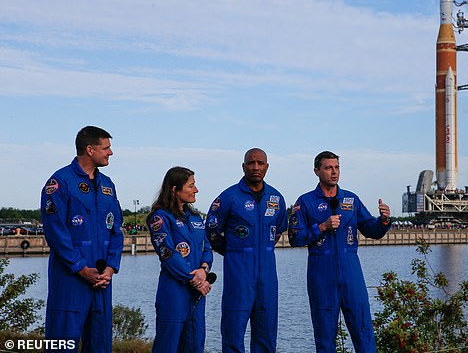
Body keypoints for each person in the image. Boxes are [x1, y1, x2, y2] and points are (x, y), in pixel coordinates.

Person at [288, 151, 392, 353]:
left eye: (337, 167)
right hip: (321, 275)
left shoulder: (351, 200)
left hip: (351, 271)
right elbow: (295, 238)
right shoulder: (305, 202)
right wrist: (322, 227)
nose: (334, 172)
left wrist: (384, 221)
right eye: (328, 168)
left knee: (363, 331)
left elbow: (371, 229)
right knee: (325, 338)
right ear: (317, 171)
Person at [40, 126, 124, 352]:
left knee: (100, 344)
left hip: (102, 280)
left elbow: (116, 229)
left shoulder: (107, 185)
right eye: (106, 148)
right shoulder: (60, 182)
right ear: (89, 149)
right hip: (71, 280)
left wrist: (111, 268)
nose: (111, 153)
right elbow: (56, 232)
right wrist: (80, 268)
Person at [205, 148, 287, 353]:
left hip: (267, 276)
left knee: (267, 333)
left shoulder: (276, 198)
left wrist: (261, 250)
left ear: (267, 167)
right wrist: (234, 251)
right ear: (243, 167)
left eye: (260, 163)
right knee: (233, 332)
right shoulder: (228, 197)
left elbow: (277, 233)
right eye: (251, 163)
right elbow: (212, 232)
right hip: (239, 275)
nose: (256, 167)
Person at [147, 166, 213, 353]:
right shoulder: (160, 218)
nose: (196, 190)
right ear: (175, 189)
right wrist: (193, 278)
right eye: (191, 186)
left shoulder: (196, 218)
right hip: (174, 292)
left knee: (194, 343)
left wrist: (204, 270)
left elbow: (206, 248)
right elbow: (167, 252)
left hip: (197, 294)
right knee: (168, 345)